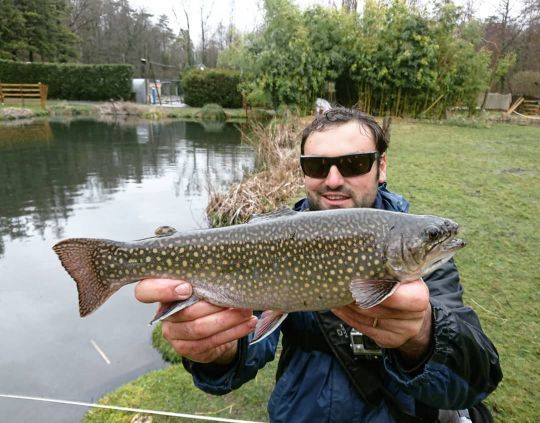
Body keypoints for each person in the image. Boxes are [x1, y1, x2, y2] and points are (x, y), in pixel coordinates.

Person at [135, 108, 502, 422]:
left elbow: (476, 380)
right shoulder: (274, 239)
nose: (333, 180)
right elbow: (250, 341)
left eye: (354, 163)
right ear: (303, 170)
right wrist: (219, 352)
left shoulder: (414, 250)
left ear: (381, 166)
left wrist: (424, 336)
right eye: (316, 166)